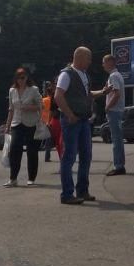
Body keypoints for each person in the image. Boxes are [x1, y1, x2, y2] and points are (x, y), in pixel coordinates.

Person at [54, 47, 95, 205]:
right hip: (72, 121)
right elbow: (58, 96)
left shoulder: (84, 75)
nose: (90, 62)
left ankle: (82, 191)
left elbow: (87, 95)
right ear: (79, 57)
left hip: (83, 120)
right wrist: (69, 114)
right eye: (88, 58)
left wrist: (103, 92)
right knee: (69, 157)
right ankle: (67, 194)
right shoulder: (66, 74)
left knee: (86, 156)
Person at [4, 67, 42, 187]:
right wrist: (7, 125)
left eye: (24, 77)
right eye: (19, 77)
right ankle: (13, 178)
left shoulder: (33, 90)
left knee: (32, 151)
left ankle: (31, 178)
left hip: (31, 123)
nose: (21, 80)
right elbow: (11, 109)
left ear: (27, 78)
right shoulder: (12, 91)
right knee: (15, 149)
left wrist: (29, 108)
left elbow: (41, 106)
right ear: (16, 78)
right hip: (17, 123)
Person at [93, 54, 126, 176]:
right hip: (117, 111)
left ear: (110, 63)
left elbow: (116, 94)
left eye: (104, 62)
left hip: (114, 111)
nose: (102, 65)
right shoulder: (116, 75)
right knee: (118, 139)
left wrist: (107, 107)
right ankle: (120, 165)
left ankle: (119, 166)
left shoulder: (113, 76)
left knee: (116, 140)